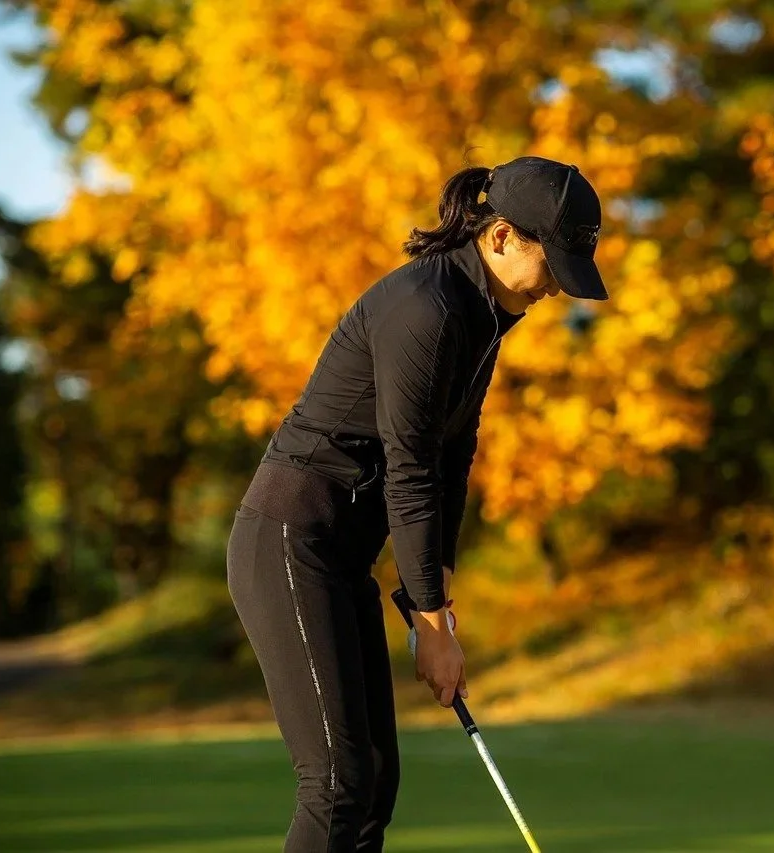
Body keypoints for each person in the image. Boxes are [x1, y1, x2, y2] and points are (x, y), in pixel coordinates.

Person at [226, 156, 608, 853]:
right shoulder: (425, 309)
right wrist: (430, 622)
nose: (557, 283)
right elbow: (408, 470)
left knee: (374, 781)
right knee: (338, 781)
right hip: (289, 540)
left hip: (340, 557)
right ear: (499, 238)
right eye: (551, 261)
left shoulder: (487, 314)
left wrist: (436, 595)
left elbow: (451, 458)